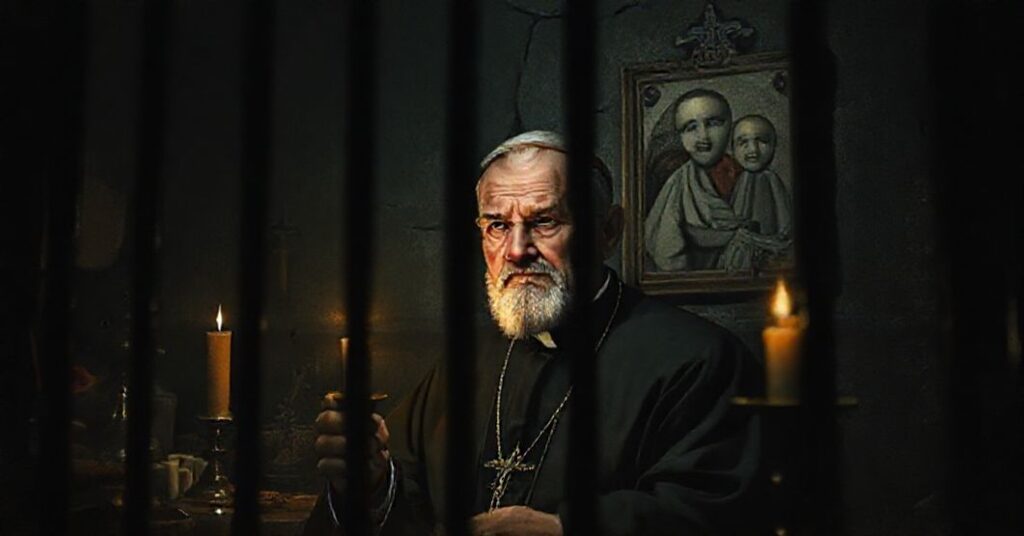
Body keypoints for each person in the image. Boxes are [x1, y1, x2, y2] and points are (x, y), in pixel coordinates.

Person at [303, 131, 762, 536]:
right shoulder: (467, 364)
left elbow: (718, 512)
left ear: (609, 231)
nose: (517, 250)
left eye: (545, 222)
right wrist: (372, 484)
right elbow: (405, 499)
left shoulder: (698, 360)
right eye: (498, 226)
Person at [643, 88, 746, 272]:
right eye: (691, 128)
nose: (703, 137)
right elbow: (666, 251)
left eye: (713, 123)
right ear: (681, 136)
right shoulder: (678, 183)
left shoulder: (751, 179)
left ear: (730, 128)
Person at [718, 115, 793, 272]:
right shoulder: (737, 181)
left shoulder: (770, 179)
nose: (753, 149)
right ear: (732, 149)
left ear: (774, 146)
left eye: (762, 141)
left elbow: (785, 226)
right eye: (743, 142)